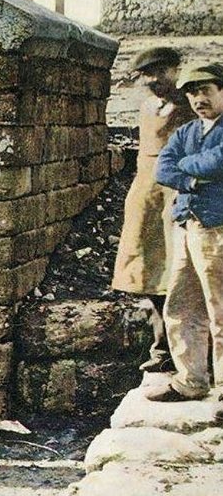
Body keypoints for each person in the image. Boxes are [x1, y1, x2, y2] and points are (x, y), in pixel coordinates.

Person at [112, 48, 192, 373]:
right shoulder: (147, 107)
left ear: (175, 70)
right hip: (145, 194)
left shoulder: (190, 106)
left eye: (161, 71)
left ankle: (184, 353)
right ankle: (161, 348)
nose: (154, 79)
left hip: (177, 191)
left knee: (179, 274)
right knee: (146, 274)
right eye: (147, 74)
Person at [148, 63, 223, 402]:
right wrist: (192, 178)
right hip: (188, 225)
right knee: (182, 304)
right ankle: (191, 380)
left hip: (218, 227)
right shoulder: (187, 132)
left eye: (206, 90)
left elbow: (216, 163)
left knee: (219, 308)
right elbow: (162, 168)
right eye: (192, 92)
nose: (198, 99)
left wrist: (188, 165)